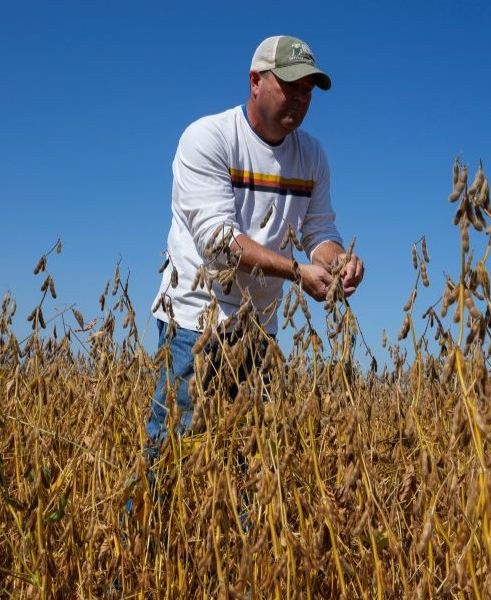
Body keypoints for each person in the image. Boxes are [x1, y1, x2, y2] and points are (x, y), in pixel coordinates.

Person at [143, 34, 364, 461]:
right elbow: (218, 243)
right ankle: (142, 528)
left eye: (308, 90)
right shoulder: (208, 138)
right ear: (255, 81)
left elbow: (319, 233)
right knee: (169, 453)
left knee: (246, 463)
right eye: (291, 86)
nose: (300, 99)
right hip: (194, 322)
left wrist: (340, 263)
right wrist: (297, 273)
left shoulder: (312, 156)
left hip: (260, 331)